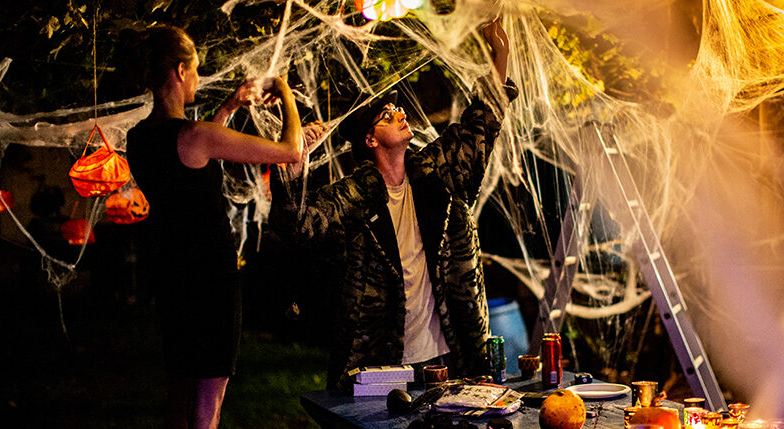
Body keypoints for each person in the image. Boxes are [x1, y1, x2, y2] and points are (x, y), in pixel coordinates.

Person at [270, 19, 516, 387]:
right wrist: (295, 157)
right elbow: (298, 223)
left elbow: (481, 123)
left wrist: (501, 54)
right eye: (387, 116)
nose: (400, 114)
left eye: (398, 111)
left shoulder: (438, 174)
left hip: (451, 356)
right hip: (383, 367)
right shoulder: (354, 197)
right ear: (370, 140)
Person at [123, 25, 324, 429]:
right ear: (181, 71)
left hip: (172, 274)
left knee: (180, 390)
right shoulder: (196, 134)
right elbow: (288, 150)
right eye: (195, 70)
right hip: (210, 278)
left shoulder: (140, 137)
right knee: (208, 402)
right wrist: (284, 90)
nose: (198, 78)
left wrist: (230, 107)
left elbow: (193, 160)